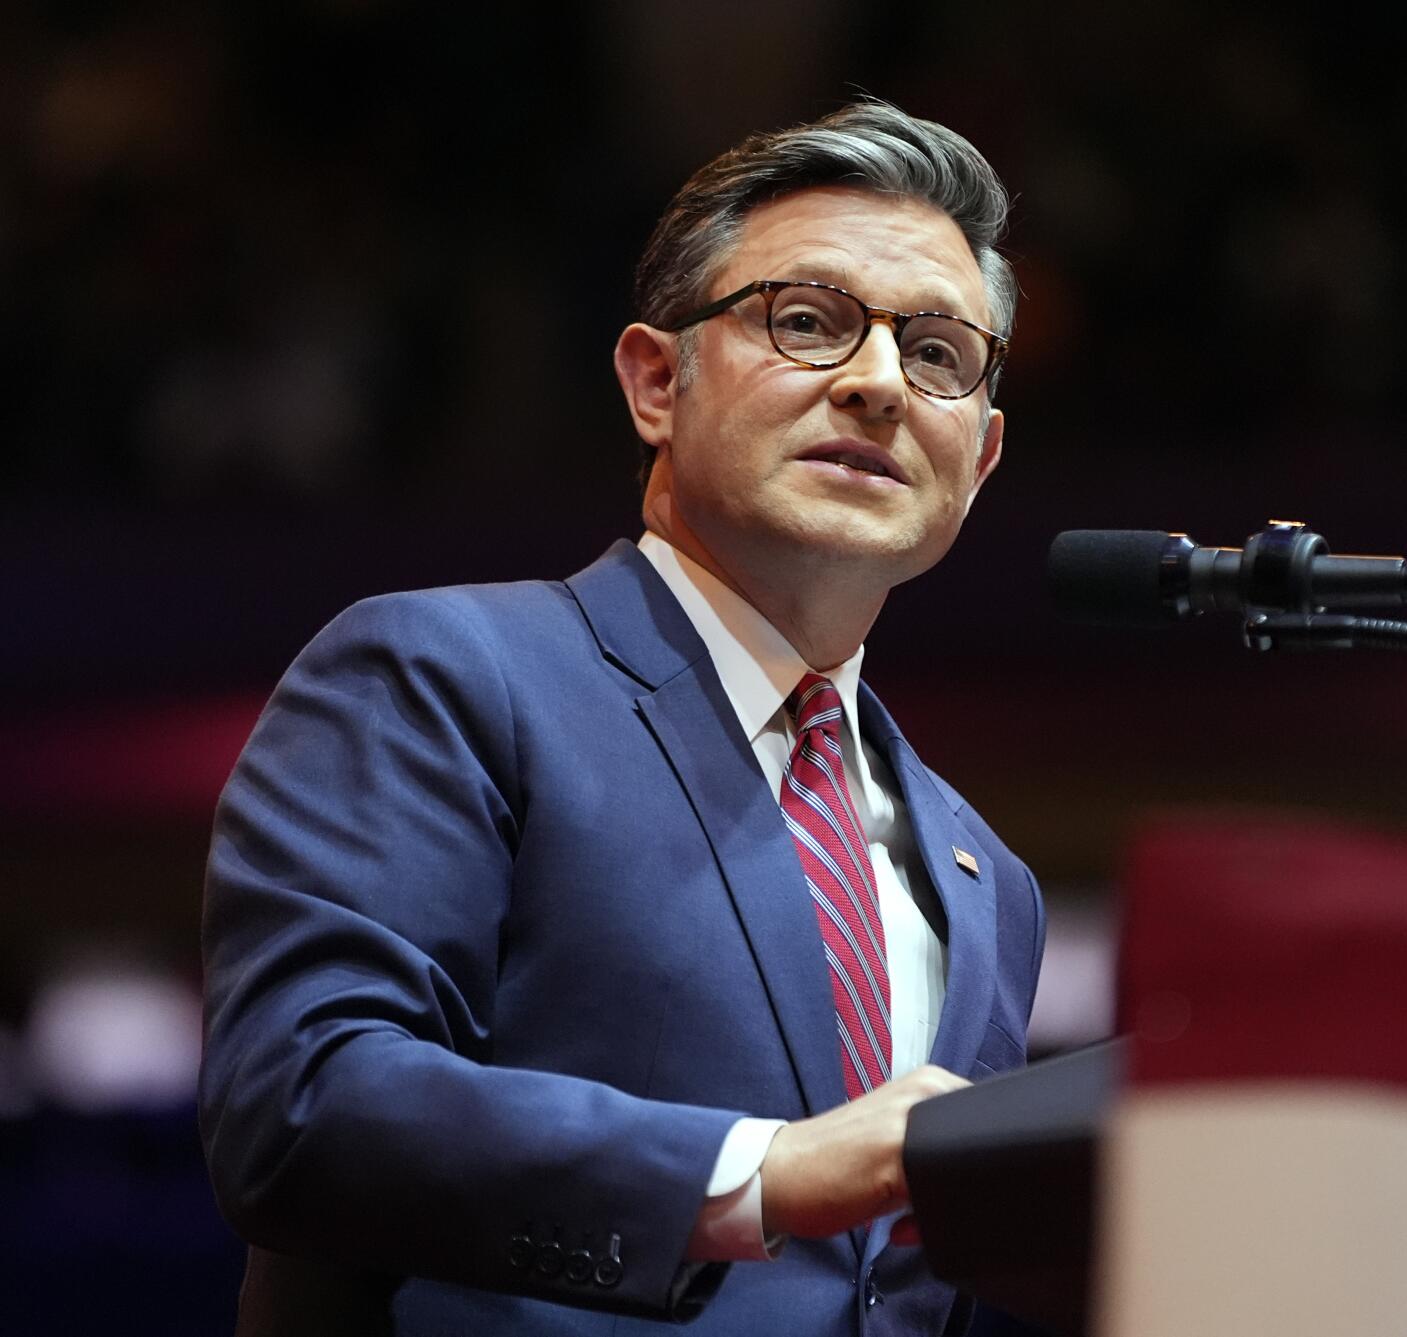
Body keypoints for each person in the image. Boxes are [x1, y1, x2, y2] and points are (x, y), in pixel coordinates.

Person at [198, 101, 1046, 1337]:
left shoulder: (989, 877)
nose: (876, 382)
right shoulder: (448, 674)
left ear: (977, 459)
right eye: (808, 322)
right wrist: (761, 1170)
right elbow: (302, 1103)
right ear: (655, 379)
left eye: (936, 355)